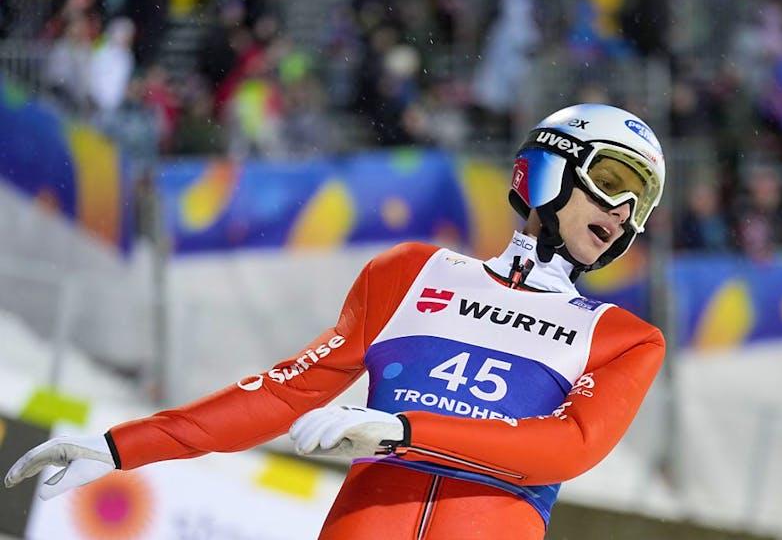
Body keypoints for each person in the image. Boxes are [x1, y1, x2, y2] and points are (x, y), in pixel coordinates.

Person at [5, 103, 667, 539]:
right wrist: (123, 444)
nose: (626, 209)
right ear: (550, 167)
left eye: (643, 200)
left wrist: (402, 429)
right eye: (615, 179)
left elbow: (566, 447)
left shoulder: (624, 338)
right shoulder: (412, 271)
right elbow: (286, 390)